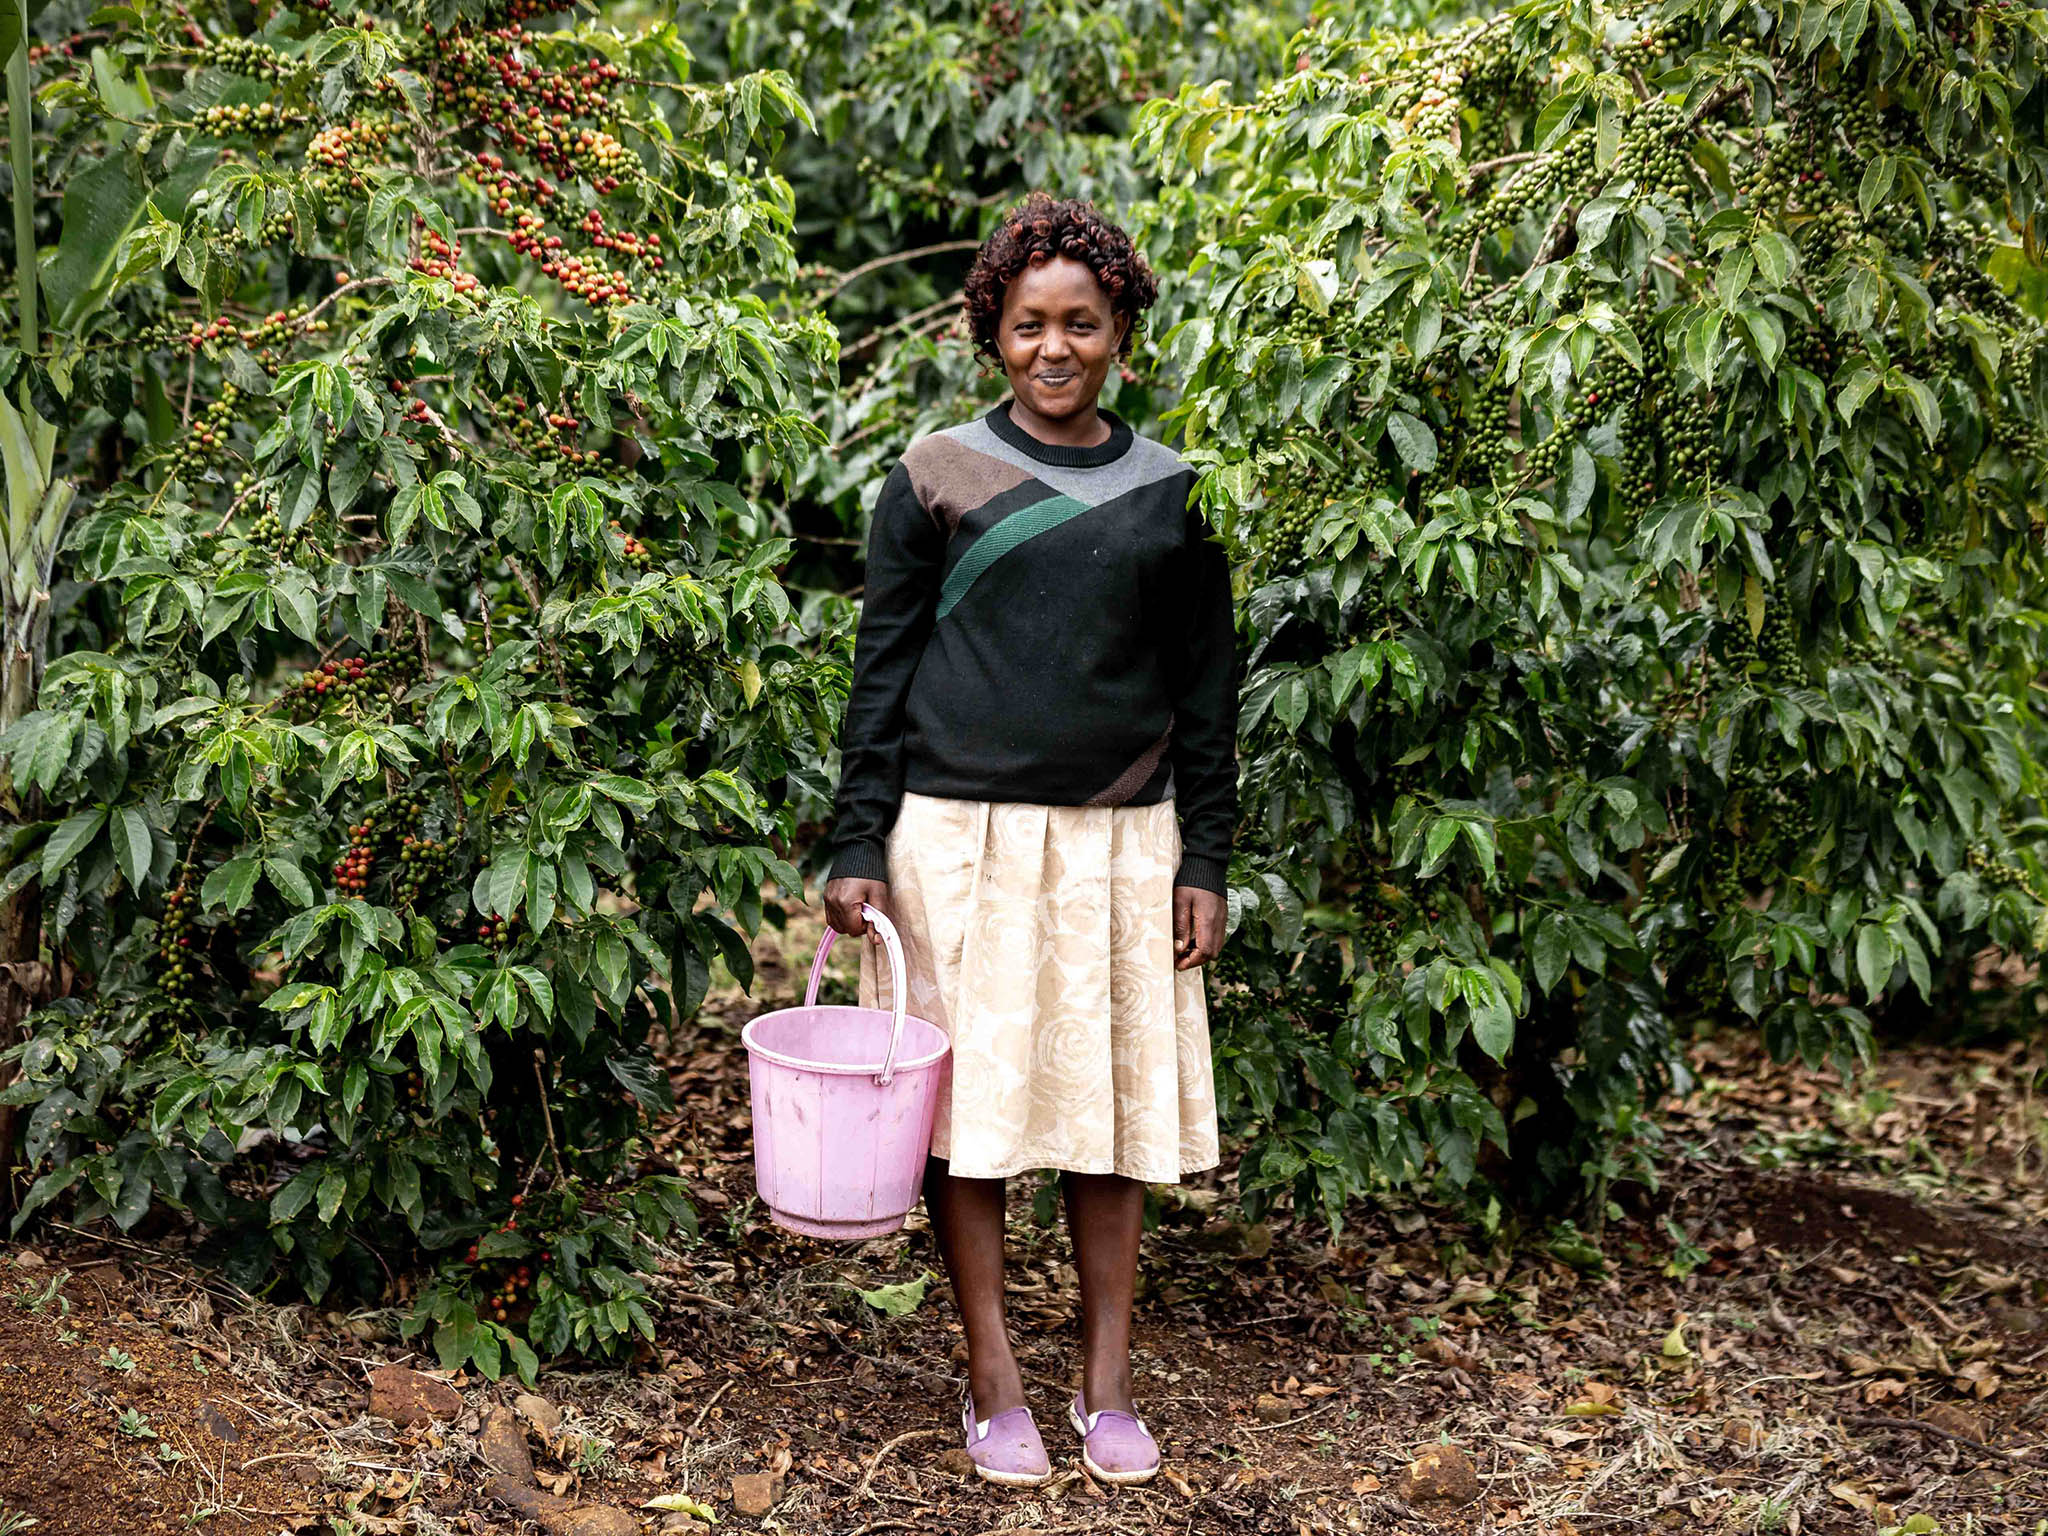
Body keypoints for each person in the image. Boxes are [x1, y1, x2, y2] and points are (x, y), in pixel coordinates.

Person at [819, 191, 1242, 1488]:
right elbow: (882, 670)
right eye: (1026, 326)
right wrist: (858, 842)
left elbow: (1208, 691)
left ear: (1121, 332)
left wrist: (1206, 859)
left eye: (1082, 324)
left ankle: (1105, 1390)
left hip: (1120, 848)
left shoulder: (1173, 493)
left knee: (1107, 1123)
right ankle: (993, 1379)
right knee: (977, 1125)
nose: (1053, 349)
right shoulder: (936, 475)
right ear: (989, 333)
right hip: (957, 849)